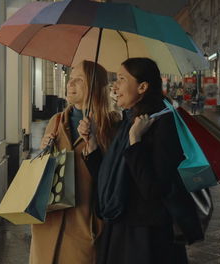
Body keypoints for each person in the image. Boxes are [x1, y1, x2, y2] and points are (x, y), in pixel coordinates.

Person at [79, 58, 203, 264]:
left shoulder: (161, 123)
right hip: (121, 228)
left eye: (121, 79)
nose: (114, 86)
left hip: (147, 238)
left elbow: (153, 190)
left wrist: (135, 143)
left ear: (143, 87)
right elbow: (110, 179)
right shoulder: (128, 122)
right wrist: (91, 144)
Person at [30, 61, 119, 264]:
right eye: (71, 79)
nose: (71, 84)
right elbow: (44, 169)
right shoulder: (56, 120)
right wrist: (44, 149)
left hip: (83, 224)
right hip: (49, 221)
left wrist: (95, 142)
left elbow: (113, 176)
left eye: (79, 80)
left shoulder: (112, 124)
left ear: (95, 86)